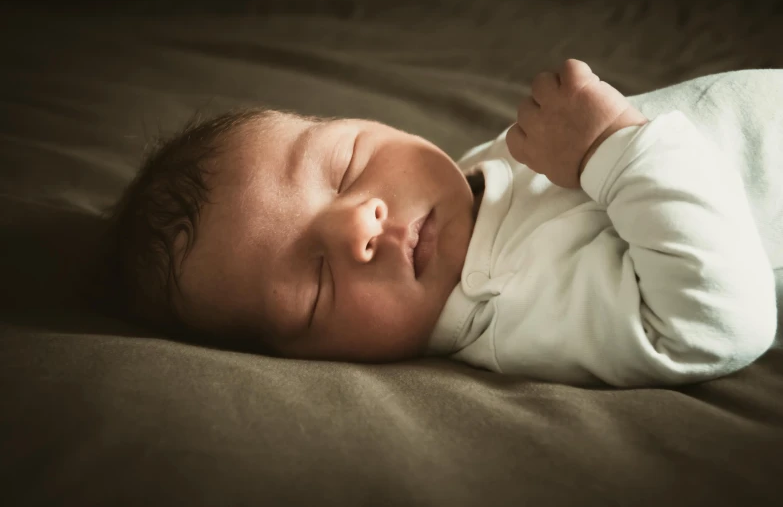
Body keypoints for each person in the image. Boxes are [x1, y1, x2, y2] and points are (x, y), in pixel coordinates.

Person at [108, 59, 780, 387]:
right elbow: (712, 323)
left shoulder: (466, 185)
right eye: (314, 283)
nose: (357, 226)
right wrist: (612, 146)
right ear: (305, 360)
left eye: (343, 167)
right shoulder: (510, 308)